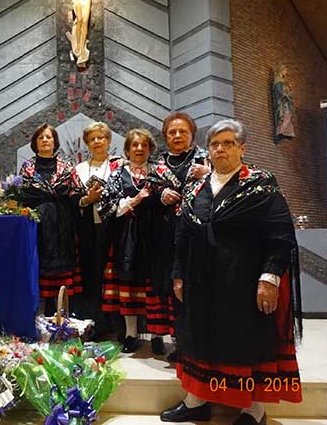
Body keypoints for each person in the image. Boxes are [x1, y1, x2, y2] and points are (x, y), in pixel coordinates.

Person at [160, 119, 302, 425]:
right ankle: (196, 401)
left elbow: (280, 235)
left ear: (242, 148)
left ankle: (253, 411)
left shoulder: (261, 184)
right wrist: (178, 275)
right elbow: (182, 237)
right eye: (215, 144)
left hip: (244, 282)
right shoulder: (196, 188)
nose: (220, 149)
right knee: (198, 339)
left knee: (244, 343)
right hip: (199, 282)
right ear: (207, 150)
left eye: (228, 143)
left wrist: (270, 277)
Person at [151, 112, 210, 359]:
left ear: (192, 135)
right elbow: (148, 192)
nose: (177, 136)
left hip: (197, 234)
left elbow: (222, 187)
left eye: (182, 132)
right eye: (172, 132)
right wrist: (160, 194)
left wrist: (206, 175)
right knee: (170, 286)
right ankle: (177, 340)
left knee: (193, 285)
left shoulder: (205, 159)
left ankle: (194, 343)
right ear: (165, 136)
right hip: (165, 234)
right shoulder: (158, 163)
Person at [98, 129, 158, 353]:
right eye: (134, 145)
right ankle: (131, 334)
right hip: (126, 237)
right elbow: (106, 207)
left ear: (150, 149)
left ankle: (156, 334)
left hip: (155, 236)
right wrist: (133, 201)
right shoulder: (117, 175)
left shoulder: (159, 171)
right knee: (129, 286)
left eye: (144, 145)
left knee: (153, 285)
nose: (139, 149)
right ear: (127, 150)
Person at [20, 124, 83, 309]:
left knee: (63, 273)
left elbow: (78, 192)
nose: (45, 140)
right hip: (37, 225)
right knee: (40, 268)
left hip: (63, 226)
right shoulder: (27, 168)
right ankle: (42, 313)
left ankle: (63, 313)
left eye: (48, 137)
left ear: (55, 142)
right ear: (35, 143)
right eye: (41, 137)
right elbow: (22, 195)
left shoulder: (67, 167)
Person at [75, 122, 123, 338]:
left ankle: (120, 327)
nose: (97, 142)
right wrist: (87, 199)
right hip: (87, 228)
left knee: (113, 275)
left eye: (101, 138)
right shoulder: (79, 169)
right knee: (91, 275)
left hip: (113, 227)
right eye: (92, 138)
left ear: (108, 141)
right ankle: (94, 323)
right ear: (87, 143)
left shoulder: (119, 166)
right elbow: (72, 200)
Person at [272, 64, 297, 142]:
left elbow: (288, 92)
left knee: (288, 116)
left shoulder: (284, 82)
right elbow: (280, 93)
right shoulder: (278, 83)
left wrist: (289, 89)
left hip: (287, 104)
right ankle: (281, 131)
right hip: (282, 104)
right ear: (281, 71)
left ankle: (287, 131)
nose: (286, 72)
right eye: (285, 70)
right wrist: (287, 94)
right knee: (283, 117)